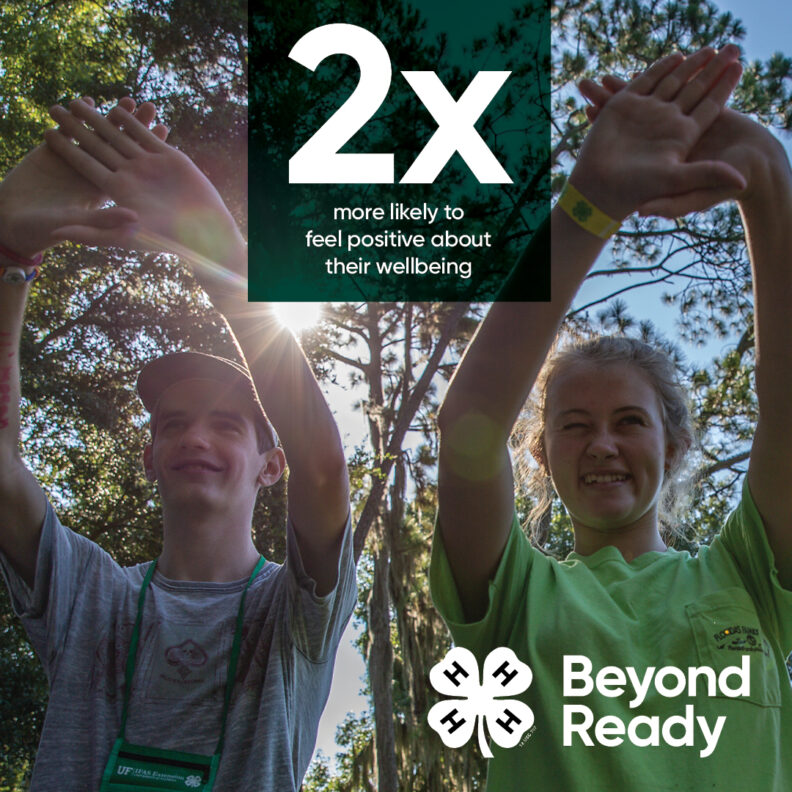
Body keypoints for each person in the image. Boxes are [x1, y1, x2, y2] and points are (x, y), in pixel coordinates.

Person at [431, 45, 792, 790]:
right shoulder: (516, 594)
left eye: (630, 421)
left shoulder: (748, 577)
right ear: (539, 454)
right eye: (572, 425)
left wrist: (764, 174)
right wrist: (588, 201)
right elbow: (469, 418)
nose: (602, 444)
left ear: (678, 443)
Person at [0, 96, 355, 791]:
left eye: (227, 425)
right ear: (149, 457)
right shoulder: (89, 594)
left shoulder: (293, 614)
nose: (195, 437)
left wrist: (215, 250)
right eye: (172, 424)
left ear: (269, 465)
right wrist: (8, 256)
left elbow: (325, 467)